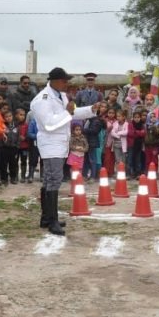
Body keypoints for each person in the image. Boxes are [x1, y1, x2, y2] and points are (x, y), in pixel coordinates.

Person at [30, 67, 100, 236]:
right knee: (54, 180)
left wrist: (91, 109)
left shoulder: (61, 95)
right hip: (50, 144)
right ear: (54, 81)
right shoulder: (42, 99)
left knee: (50, 180)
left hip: (59, 144)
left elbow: (71, 114)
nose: (66, 83)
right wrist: (68, 112)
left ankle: (46, 218)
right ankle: (52, 220)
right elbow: (49, 124)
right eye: (64, 80)